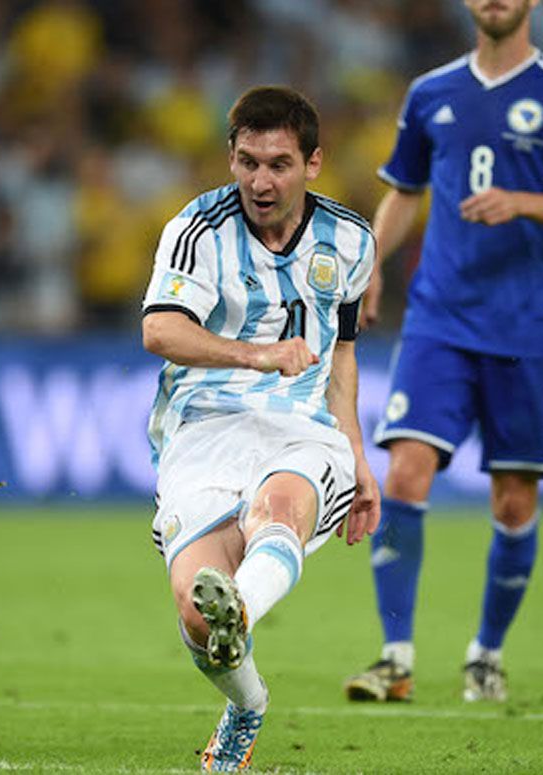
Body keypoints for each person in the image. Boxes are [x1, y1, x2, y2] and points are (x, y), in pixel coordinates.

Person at [343, 0, 543, 704]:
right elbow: (404, 190)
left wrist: (521, 202)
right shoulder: (430, 92)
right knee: (404, 470)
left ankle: (485, 654)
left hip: (525, 326)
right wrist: (372, 264)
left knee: (514, 496)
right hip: (439, 318)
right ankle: (394, 656)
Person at [142, 86, 381, 771]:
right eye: (246, 162)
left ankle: (236, 610)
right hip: (203, 428)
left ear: (313, 163)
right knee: (194, 611)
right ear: (230, 157)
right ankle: (246, 700)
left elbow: (341, 352)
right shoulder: (197, 229)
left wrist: (359, 460)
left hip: (301, 428)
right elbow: (159, 328)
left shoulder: (350, 240)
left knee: (279, 506)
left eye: (278, 163)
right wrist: (256, 353)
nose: (259, 180)